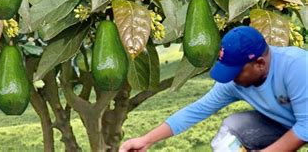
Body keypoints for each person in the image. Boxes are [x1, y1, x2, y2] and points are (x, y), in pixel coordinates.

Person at [119, 26, 307, 152]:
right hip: (286, 125)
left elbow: (305, 128)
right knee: (234, 127)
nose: (230, 78)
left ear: (259, 63)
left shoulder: (296, 67)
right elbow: (196, 110)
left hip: (303, 124)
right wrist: (146, 140)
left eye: (236, 71)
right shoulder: (234, 83)